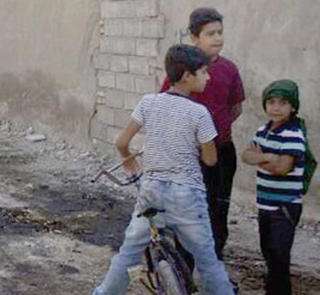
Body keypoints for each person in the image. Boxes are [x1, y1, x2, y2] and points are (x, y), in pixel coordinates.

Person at [93, 44, 234, 295]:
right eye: (203, 72)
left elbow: (121, 142)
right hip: (187, 195)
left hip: (152, 191)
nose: (208, 77)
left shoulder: (148, 103)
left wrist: (128, 162)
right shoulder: (199, 113)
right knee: (207, 261)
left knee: (128, 253)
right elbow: (211, 160)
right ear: (188, 76)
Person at [161, 7, 244, 259]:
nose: (218, 38)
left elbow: (235, 107)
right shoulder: (182, 72)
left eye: (220, 32)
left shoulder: (229, 69)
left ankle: (214, 267)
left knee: (217, 212)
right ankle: (184, 272)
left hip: (221, 153)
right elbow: (167, 107)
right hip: (189, 157)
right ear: (195, 38)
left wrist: (214, 134)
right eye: (210, 33)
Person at [241, 80, 307, 295]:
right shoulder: (264, 130)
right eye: (271, 102)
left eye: (282, 103)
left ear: (293, 107)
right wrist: (269, 156)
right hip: (265, 205)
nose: (276, 108)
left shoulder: (294, 134)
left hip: (284, 207)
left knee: (279, 258)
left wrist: (260, 158)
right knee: (269, 255)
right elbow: (246, 155)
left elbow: (282, 168)